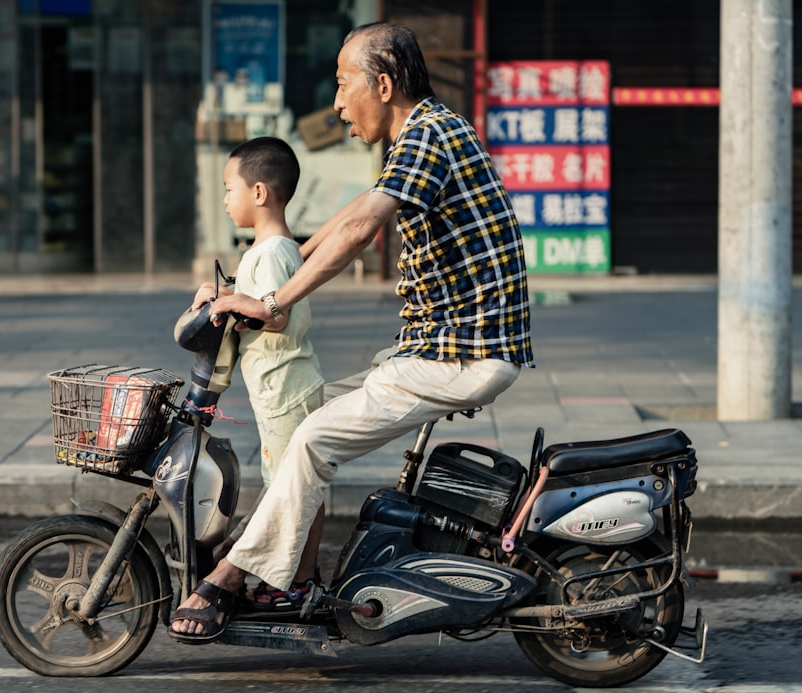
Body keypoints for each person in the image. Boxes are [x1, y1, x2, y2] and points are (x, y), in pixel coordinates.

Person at [169, 22, 534, 643]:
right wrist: (267, 268)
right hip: (435, 349)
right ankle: (291, 572)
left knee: (312, 439)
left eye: (344, 85)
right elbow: (346, 216)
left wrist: (272, 300)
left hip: (462, 357)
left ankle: (229, 577)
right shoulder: (429, 133)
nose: (337, 104)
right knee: (314, 413)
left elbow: (362, 226)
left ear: (383, 85)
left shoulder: (428, 137)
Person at [186, 136, 327, 612]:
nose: (225, 199)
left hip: (284, 390)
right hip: (289, 385)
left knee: (294, 490)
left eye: (230, 189)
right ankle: (296, 576)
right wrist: (224, 294)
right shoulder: (276, 249)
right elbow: (258, 300)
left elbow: (276, 313)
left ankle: (298, 583)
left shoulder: (268, 253)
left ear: (260, 192)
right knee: (295, 485)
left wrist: (234, 303)